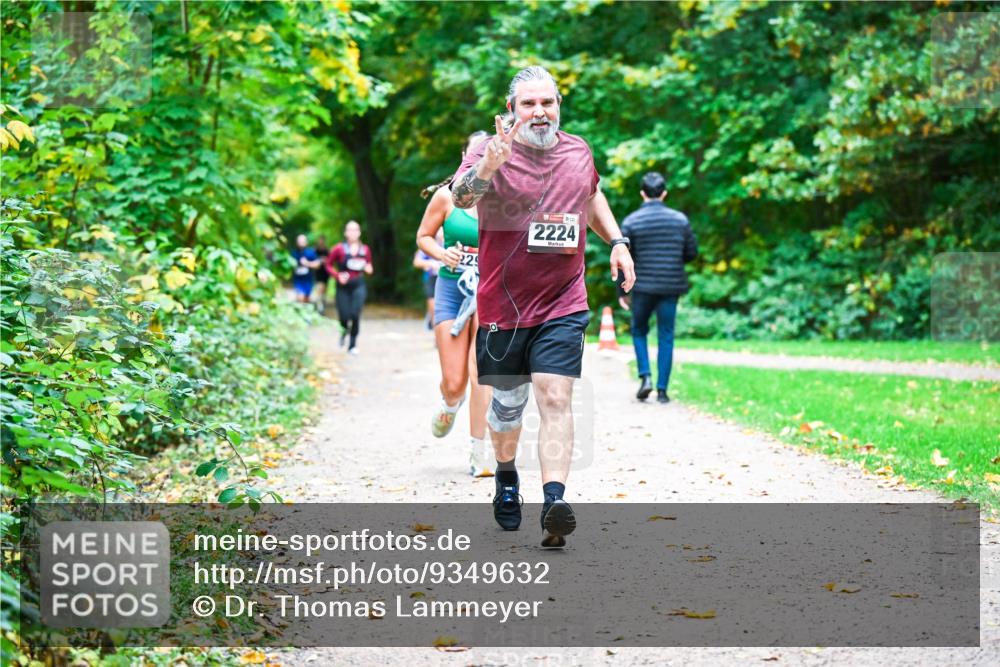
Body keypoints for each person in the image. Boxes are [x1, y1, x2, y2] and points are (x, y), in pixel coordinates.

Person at [450, 66, 635, 547]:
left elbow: (591, 196)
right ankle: (507, 477)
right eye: (528, 104)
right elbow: (460, 197)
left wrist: (617, 240)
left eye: (547, 103)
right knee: (507, 413)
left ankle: (555, 502)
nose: (539, 112)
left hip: (563, 300)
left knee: (556, 397)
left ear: (558, 106)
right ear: (511, 110)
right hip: (502, 306)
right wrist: (491, 164)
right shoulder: (486, 151)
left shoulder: (578, 150)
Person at [416, 131, 493, 478]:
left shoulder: (504, 199)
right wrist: (441, 253)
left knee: (483, 375)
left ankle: (480, 452)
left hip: (489, 294)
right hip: (451, 289)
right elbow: (423, 237)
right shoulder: (447, 197)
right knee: (455, 381)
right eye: (474, 151)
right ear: (464, 154)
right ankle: (450, 403)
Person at [618, 172, 698, 403]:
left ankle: (645, 377)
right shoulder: (680, 220)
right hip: (670, 287)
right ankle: (662, 391)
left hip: (642, 287)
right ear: (664, 193)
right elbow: (691, 253)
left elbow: (623, 258)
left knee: (639, 331)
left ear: (642, 193)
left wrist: (622, 291)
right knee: (666, 336)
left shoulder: (631, 221)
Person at [326, 221, 373, 354]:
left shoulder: (365, 250)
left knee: (355, 314)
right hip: (343, 287)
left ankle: (352, 345)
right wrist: (337, 275)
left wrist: (368, 269)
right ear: (345, 233)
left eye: (355, 230)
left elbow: (369, 266)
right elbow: (328, 265)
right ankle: (343, 331)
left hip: (359, 285)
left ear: (359, 232)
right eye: (350, 230)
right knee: (344, 315)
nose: (352, 233)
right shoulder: (338, 249)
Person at [412, 235, 441, 330]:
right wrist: (431, 264)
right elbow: (416, 262)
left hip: (445, 279)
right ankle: (436, 332)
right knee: (432, 304)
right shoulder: (429, 245)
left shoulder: (449, 244)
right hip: (431, 278)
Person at [291, 234, 321, 304]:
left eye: (302, 241)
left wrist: (307, 263)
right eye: (299, 241)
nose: (301, 243)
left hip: (308, 280)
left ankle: (305, 312)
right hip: (298, 280)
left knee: (306, 299)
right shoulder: (293, 253)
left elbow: (317, 265)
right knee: (300, 297)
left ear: (306, 242)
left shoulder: (311, 252)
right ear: (296, 242)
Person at [313, 235, 331, 315]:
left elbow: (330, 261)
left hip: (325, 273)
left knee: (324, 290)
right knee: (319, 289)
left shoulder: (327, 251)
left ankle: (322, 305)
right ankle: (320, 307)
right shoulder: (315, 251)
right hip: (318, 273)